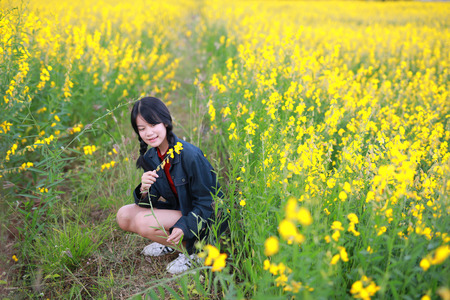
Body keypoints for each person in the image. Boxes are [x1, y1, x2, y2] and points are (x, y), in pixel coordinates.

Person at [116, 96, 224, 274]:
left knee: (145, 223)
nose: (148, 133)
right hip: (183, 210)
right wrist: (144, 190)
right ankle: (173, 245)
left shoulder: (190, 155)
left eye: (153, 125)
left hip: (205, 219)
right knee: (124, 215)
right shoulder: (152, 157)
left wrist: (184, 225)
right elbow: (152, 201)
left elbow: (209, 203)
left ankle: (196, 252)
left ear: (165, 122)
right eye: (142, 128)